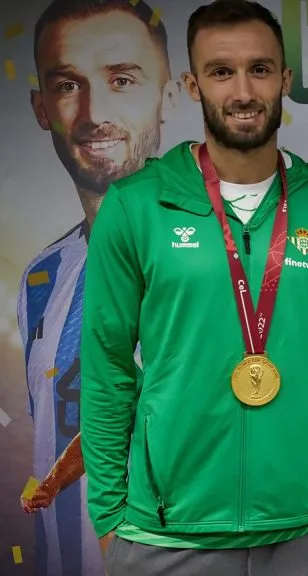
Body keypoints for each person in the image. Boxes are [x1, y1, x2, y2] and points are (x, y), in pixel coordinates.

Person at [78, 0, 308, 573]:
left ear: (285, 79)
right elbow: (107, 368)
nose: (243, 91)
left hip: (306, 534)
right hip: (166, 537)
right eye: (221, 72)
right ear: (193, 86)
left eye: (259, 69)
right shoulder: (136, 207)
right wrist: (110, 517)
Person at [15, 0, 178, 573]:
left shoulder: (223, 259)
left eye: (122, 80)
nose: (93, 112)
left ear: (169, 96)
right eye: (67, 85)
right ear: (41, 107)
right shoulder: (41, 278)